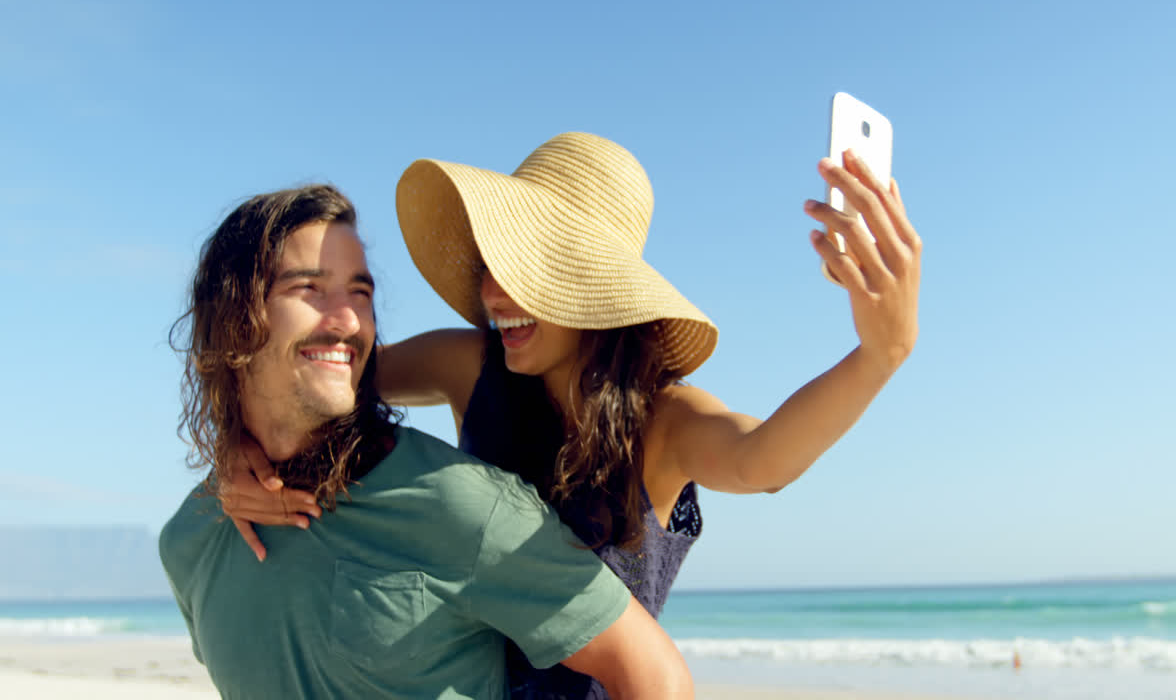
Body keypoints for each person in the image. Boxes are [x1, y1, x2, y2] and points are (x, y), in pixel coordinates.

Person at [223, 132, 922, 699]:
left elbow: (762, 459)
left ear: (594, 286)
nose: (495, 293)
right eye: (493, 263)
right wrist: (236, 447)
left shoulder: (664, 420)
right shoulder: (470, 366)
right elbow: (313, 374)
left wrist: (881, 351)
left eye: (527, 268)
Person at [159, 184, 693, 699]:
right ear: (232, 317)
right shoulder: (190, 539)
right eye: (309, 289)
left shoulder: (461, 505)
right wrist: (232, 442)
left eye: (361, 293)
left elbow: (651, 674)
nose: (348, 319)